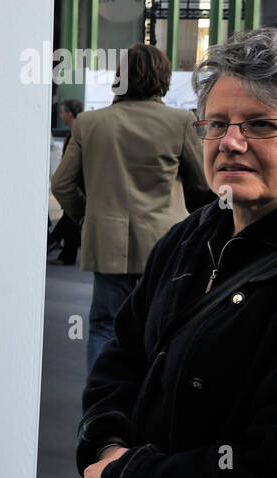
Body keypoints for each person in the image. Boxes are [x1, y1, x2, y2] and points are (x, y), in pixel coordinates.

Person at [61, 27, 277, 478]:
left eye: (259, 124)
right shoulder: (190, 237)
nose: (231, 142)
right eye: (216, 123)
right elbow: (123, 362)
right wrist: (105, 445)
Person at [50, 43, 211, 370]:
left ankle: (99, 410)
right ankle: (151, 409)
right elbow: (202, 183)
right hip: (165, 244)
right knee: (162, 327)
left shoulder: (88, 123)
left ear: (120, 76)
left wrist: (87, 218)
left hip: (108, 243)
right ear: (164, 78)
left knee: (103, 327)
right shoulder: (181, 121)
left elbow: (62, 185)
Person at [47, 99, 84, 265]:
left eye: (62, 112)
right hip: (76, 182)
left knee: (71, 217)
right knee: (70, 219)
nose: (61, 115)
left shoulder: (77, 132)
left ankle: (56, 245)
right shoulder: (76, 130)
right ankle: (57, 246)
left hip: (76, 182)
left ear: (70, 113)